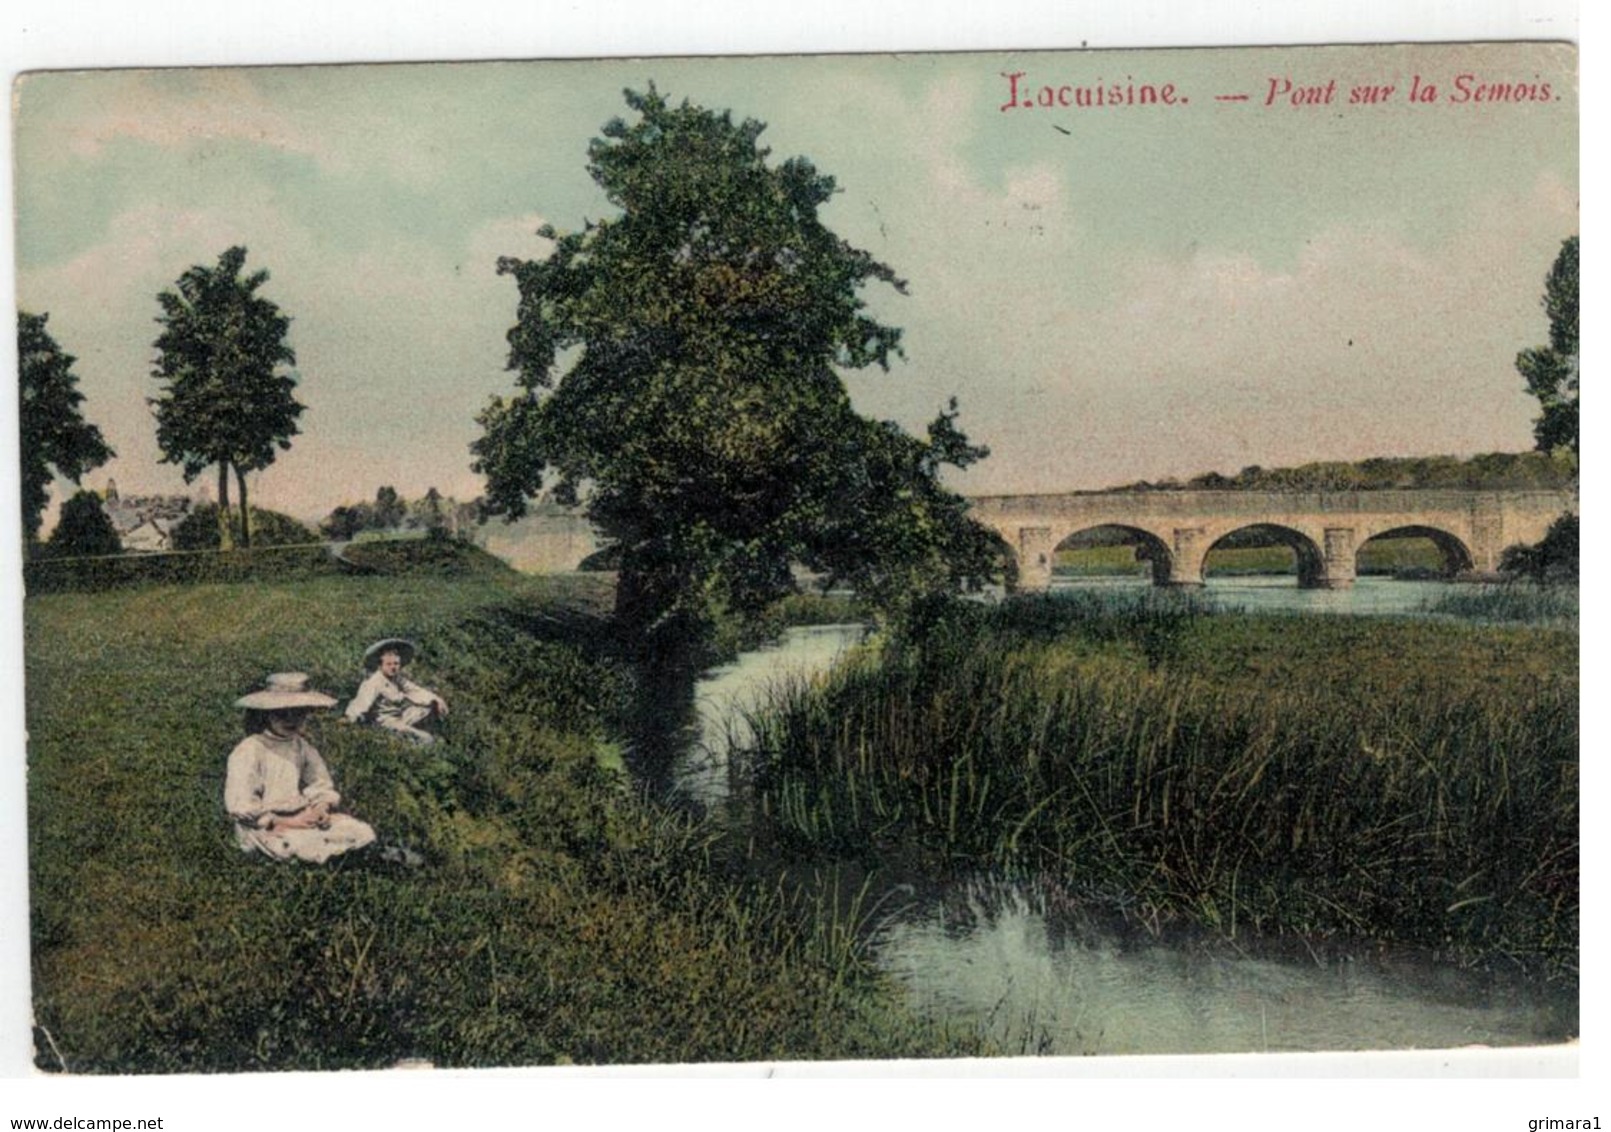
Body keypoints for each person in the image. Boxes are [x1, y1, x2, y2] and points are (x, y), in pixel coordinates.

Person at [224, 673, 377, 864]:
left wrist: (321, 808)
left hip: (301, 814)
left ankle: (358, 856)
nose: (291, 720)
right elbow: (241, 804)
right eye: (282, 714)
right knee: (302, 845)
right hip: (265, 823)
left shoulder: (300, 745)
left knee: (361, 831)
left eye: (298, 713)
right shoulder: (250, 749)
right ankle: (339, 860)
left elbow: (319, 781)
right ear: (267, 714)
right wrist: (285, 822)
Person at [343, 638, 449, 746]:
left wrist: (437, 700)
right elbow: (361, 702)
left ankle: (435, 732)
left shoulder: (397, 679)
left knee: (429, 708)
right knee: (426, 739)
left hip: (400, 715)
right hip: (385, 722)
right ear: (380, 665)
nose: (393, 668)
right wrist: (351, 717)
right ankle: (415, 743)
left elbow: (415, 690)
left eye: (396, 664)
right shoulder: (374, 682)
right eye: (389, 664)